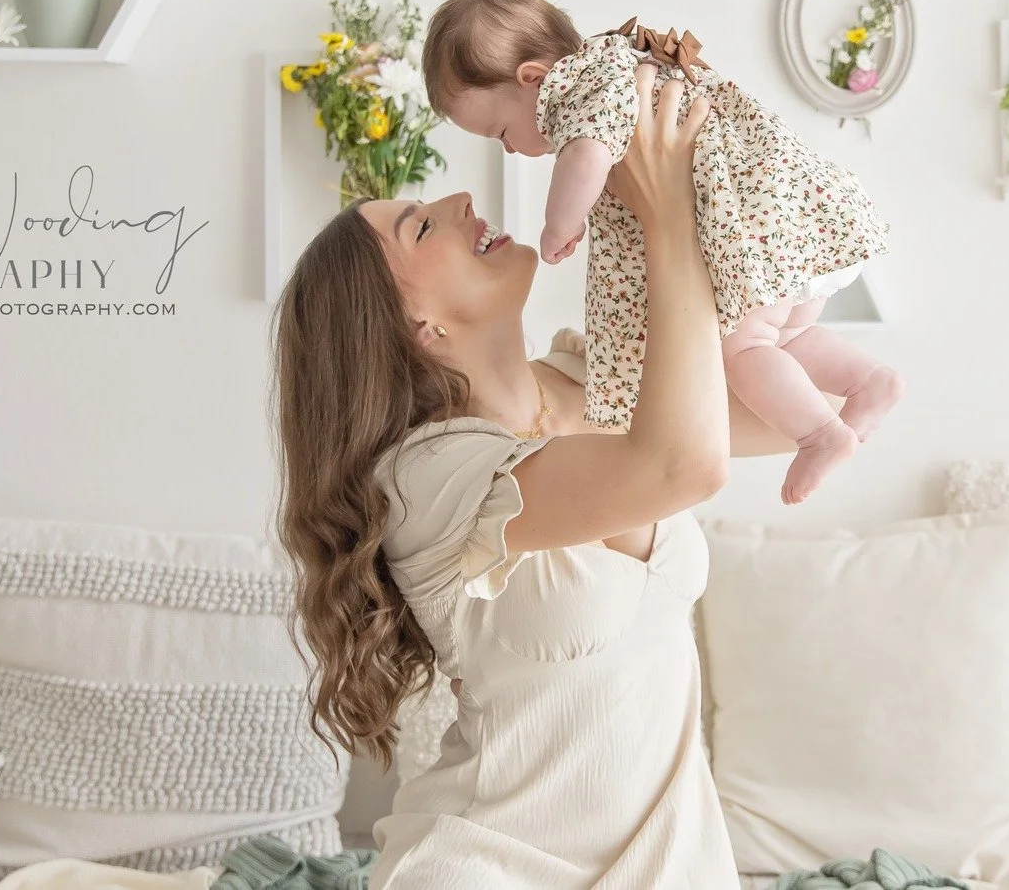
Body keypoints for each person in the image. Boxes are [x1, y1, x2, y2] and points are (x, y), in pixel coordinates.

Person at [275, 65, 785, 889]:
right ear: (417, 325)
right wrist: (668, 227)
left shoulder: (593, 381)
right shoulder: (427, 480)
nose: (461, 204)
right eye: (420, 226)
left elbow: (797, 414)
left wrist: (721, 186)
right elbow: (685, 464)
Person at [421, 0, 901, 504]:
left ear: (534, 79)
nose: (510, 150)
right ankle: (869, 381)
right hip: (794, 226)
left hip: (756, 234)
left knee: (745, 350)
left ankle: (820, 435)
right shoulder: (620, 65)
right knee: (780, 341)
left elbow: (586, 157)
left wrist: (560, 225)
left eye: (501, 132)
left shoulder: (583, 91)